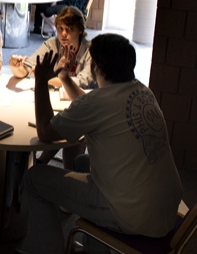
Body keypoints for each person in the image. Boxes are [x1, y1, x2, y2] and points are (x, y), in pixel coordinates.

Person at [20, 34, 182, 254]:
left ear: (97, 66)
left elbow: (46, 131)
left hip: (132, 215)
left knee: (34, 179)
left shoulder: (97, 102)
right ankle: (94, 249)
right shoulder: (143, 91)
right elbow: (90, 106)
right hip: (166, 209)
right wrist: (65, 78)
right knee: (81, 162)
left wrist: (41, 81)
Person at [9, 6, 94, 169]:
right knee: (48, 124)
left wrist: (46, 77)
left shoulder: (90, 51)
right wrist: (16, 66)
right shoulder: (52, 44)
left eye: (69, 29)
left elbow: (81, 83)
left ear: (80, 30)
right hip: (56, 102)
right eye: (60, 28)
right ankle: (39, 164)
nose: (63, 34)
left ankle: (66, 175)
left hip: (80, 106)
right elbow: (29, 67)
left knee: (69, 130)